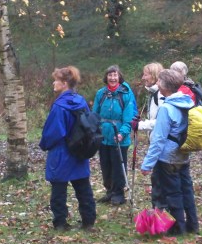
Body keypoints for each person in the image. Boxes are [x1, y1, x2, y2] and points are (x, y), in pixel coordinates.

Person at [141, 69, 199, 235]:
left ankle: (177, 228)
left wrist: (147, 164)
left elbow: (159, 139)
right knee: (186, 190)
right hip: (183, 153)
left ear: (164, 85)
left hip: (167, 157)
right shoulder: (187, 102)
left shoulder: (166, 108)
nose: (157, 84)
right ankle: (193, 225)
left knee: (172, 193)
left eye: (159, 81)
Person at [39, 66, 96, 231]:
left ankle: (60, 222)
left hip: (61, 152)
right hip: (79, 150)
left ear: (64, 83)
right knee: (83, 187)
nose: (53, 83)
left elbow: (53, 132)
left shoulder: (60, 106)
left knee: (59, 189)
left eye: (56, 80)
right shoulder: (81, 101)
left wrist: (44, 144)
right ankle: (88, 221)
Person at [92, 65, 137, 205]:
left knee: (118, 166)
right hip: (103, 137)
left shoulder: (126, 94)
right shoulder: (101, 93)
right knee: (105, 165)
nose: (112, 78)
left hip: (119, 137)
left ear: (119, 77)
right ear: (106, 77)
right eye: (110, 75)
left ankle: (118, 194)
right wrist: (94, 129)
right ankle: (109, 191)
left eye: (115, 75)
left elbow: (129, 117)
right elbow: (95, 114)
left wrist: (122, 133)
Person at [137, 62, 167, 210]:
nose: (143, 78)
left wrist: (141, 125)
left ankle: (161, 213)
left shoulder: (160, 95)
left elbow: (162, 121)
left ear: (154, 75)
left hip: (162, 143)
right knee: (158, 178)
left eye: (146, 74)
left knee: (159, 179)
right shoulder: (154, 93)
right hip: (157, 141)